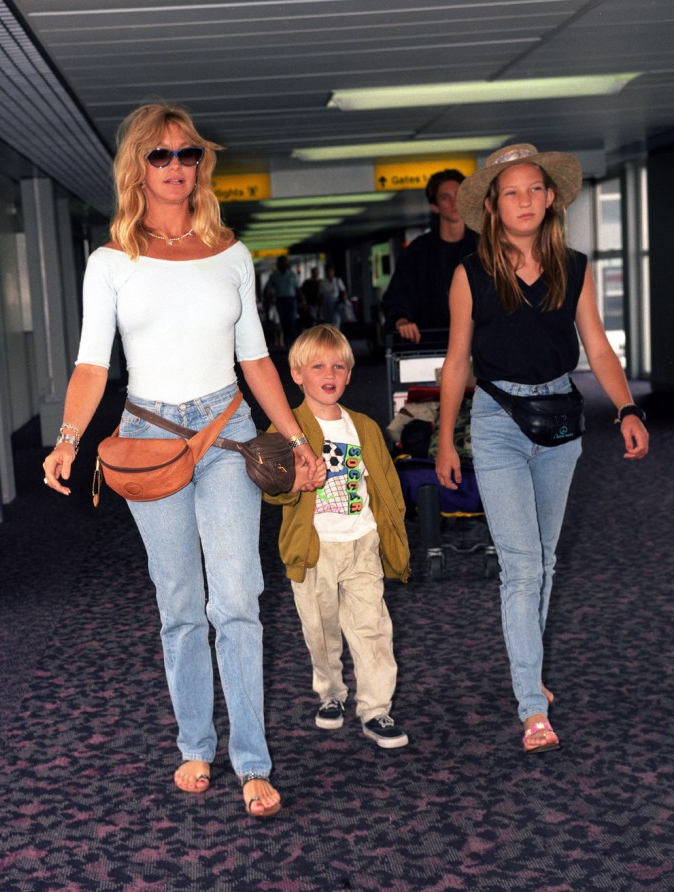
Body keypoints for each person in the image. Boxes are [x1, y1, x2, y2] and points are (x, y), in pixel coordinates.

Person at [41, 102, 322, 816]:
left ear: (202, 164)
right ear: (138, 167)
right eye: (160, 155)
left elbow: (256, 357)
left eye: (187, 154)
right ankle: (195, 744)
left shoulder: (231, 256)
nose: (175, 167)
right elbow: (90, 365)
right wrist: (70, 438)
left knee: (237, 600)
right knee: (179, 607)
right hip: (148, 437)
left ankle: (252, 761)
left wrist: (294, 437)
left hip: (227, 431)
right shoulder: (110, 263)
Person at [435, 144, 649, 754]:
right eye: (512, 193)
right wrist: (447, 438)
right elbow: (456, 364)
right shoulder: (471, 275)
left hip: (559, 421)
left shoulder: (573, 267)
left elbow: (599, 349)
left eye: (534, 190)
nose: (525, 201)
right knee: (522, 565)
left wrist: (628, 408)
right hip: (499, 420)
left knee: (546, 560)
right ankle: (531, 703)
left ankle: (531, 671)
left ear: (550, 198)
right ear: (494, 208)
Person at [264, 325, 411, 749]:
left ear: (348, 375)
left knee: (371, 629)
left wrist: (392, 539)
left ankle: (375, 709)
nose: (329, 373)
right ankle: (331, 693)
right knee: (320, 630)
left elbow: (387, 489)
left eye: (339, 366)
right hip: (315, 550)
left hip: (362, 541)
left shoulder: (363, 428)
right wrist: (294, 485)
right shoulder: (286, 430)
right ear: (297, 374)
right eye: (318, 366)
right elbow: (271, 492)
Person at [383, 169, 479, 343]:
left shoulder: (484, 248)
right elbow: (396, 297)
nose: (453, 202)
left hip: (478, 345)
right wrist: (402, 320)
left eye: (458, 195)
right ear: (435, 206)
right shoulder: (417, 252)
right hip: (429, 344)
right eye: (445, 197)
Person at [264, 255, 303, 346]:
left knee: (291, 321)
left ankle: (291, 341)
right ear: (278, 264)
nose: (283, 264)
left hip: (291, 300)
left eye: (284, 262)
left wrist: (302, 300)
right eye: (281, 263)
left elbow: (297, 288)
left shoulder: (292, 274)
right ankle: (284, 340)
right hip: (280, 301)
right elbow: (268, 288)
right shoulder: (274, 275)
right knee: (281, 321)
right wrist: (267, 300)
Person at [318, 263, 347, 329]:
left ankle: (336, 335)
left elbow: (343, 291)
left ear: (333, 272)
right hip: (326, 303)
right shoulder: (323, 282)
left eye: (331, 271)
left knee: (336, 320)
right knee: (328, 321)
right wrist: (320, 306)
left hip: (335, 302)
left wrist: (343, 300)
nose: (329, 273)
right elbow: (320, 295)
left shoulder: (337, 280)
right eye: (328, 272)